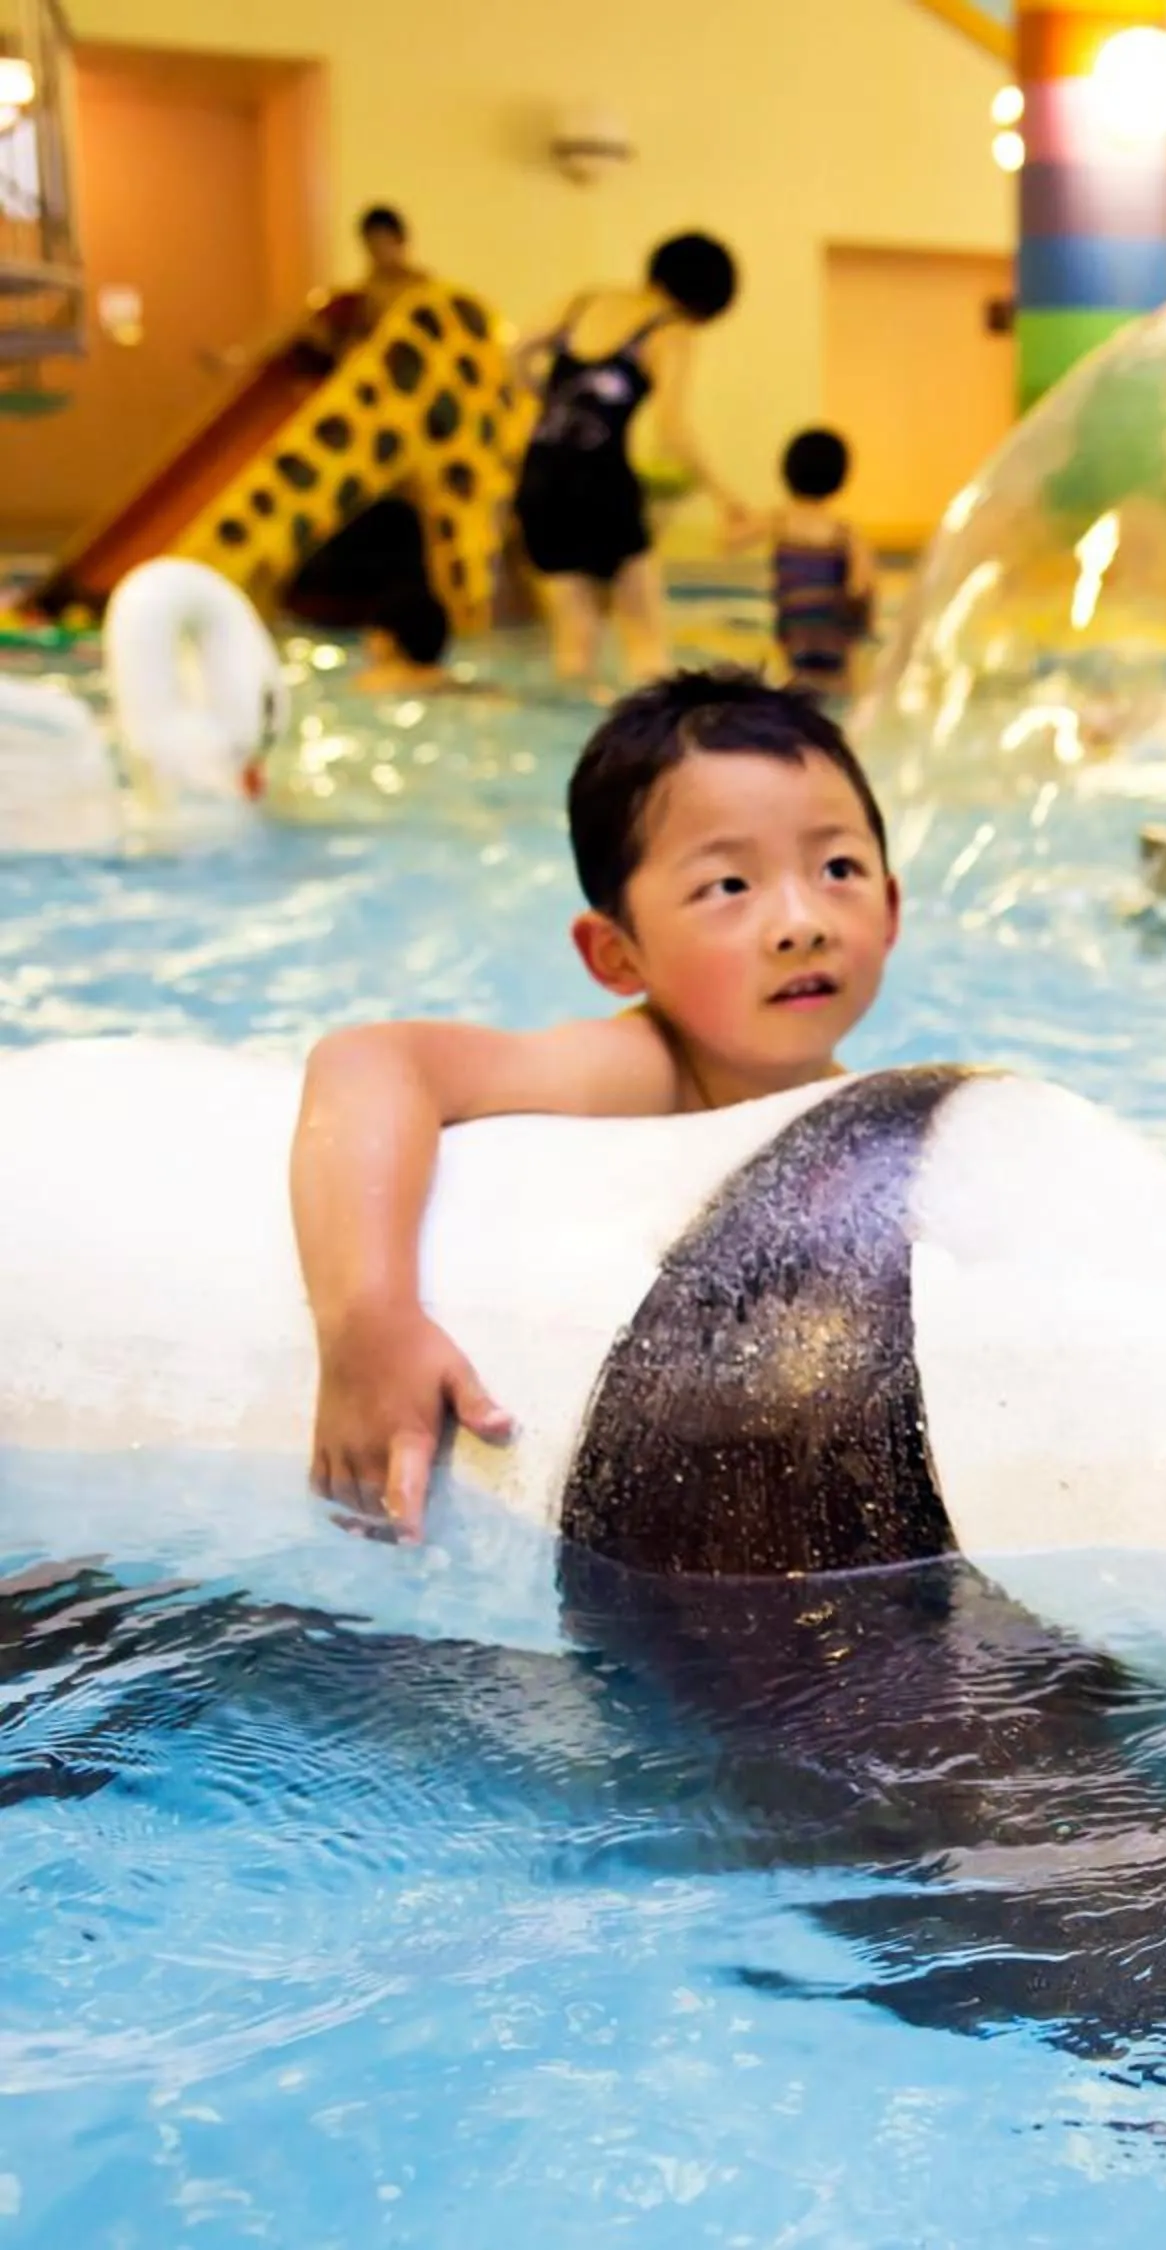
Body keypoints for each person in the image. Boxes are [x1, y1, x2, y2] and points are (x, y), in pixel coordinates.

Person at [293, 671, 900, 1527]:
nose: (801, 921)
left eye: (838, 868)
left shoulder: (881, 1114)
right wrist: (368, 1324)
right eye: (730, 886)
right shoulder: (649, 1066)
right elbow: (370, 1062)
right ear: (617, 956)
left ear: (893, 907)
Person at [510, 232, 752, 689]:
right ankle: (650, 748)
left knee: (575, 638)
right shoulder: (667, 330)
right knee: (644, 634)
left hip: (540, 476)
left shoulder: (582, 303)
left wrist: (543, 397)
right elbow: (671, 430)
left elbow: (516, 351)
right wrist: (725, 496)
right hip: (600, 481)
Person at [741, 427, 874, 699]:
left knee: (795, 684)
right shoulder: (846, 533)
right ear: (841, 477)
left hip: (794, 629)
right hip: (835, 633)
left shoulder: (780, 521)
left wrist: (735, 514)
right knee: (844, 685)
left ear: (787, 472)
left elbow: (730, 540)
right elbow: (862, 584)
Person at [296, 205, 429, 363]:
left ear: (400, 240)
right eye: (372, 246)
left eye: (383, 243)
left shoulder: (422, 288)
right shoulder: (365, 291)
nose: (379, 252)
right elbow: (356, 337)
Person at [354, 584, 462, 696]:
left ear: (389, 640)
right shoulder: (448, 681)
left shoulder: (373, 684)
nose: (365, 640)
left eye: (372, 632)